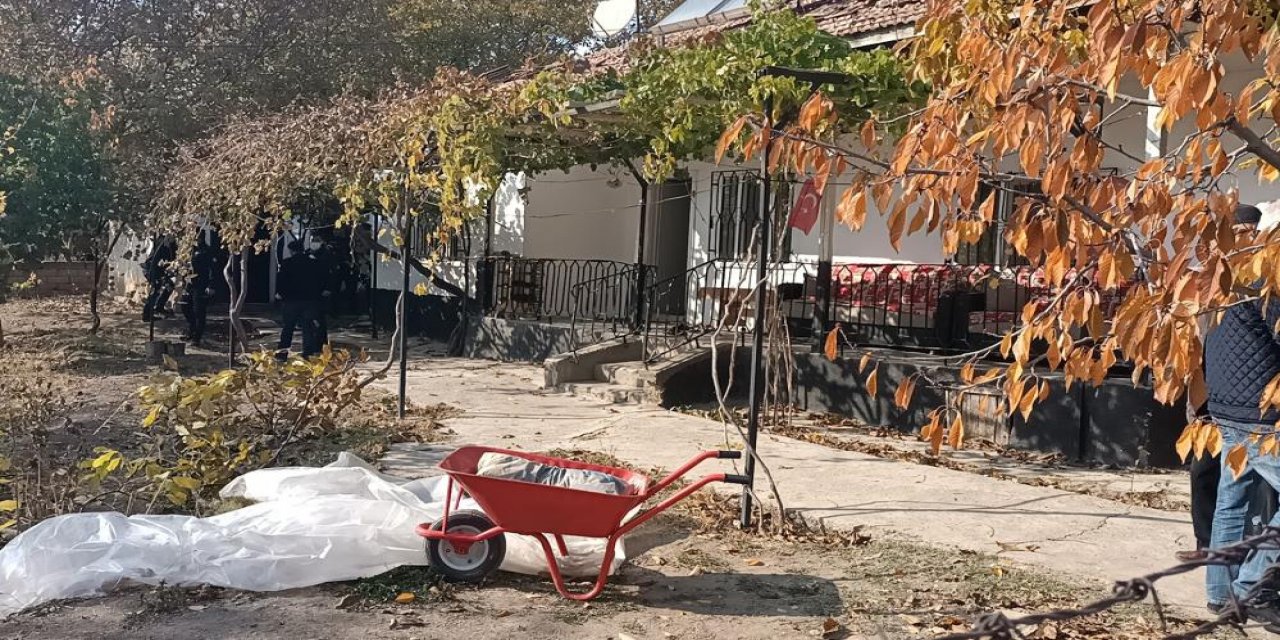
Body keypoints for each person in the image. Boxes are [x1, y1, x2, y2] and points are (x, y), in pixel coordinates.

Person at [1204, 203, 1280, 624]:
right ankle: (1251, 586)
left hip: (1225, 405)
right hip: (1260, 412)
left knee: (1230, 502)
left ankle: (1220, 598)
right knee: (1231, 501)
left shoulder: (1211, 280)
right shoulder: (1260, 277)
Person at [275, 239, 328, 358]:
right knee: (308, 327)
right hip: (309, 300)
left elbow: (282, 280)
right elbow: (320, 279)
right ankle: (307, 354)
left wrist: (280, 293)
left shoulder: (287, 263)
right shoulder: (313, 263)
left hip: (291, 300)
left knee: (288, 327)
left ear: (291, 251)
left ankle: (282, 354)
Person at [183, 236, 216, 346]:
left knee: (199, 311)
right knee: (185, 307)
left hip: (202, 284)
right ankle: (192, 330)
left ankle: (197, 337)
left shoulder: (206, 250)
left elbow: (212, 268)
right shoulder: (189, 249)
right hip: (190, 283)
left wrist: (211, 285)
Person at [141, 237, 177, 322]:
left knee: (169, 286)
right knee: (155, 290)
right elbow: (157, 259)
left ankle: (159, 308)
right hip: (153, 269)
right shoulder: (163, 243)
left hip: (160, 269)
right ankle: (147, 314)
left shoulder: (172, 245)